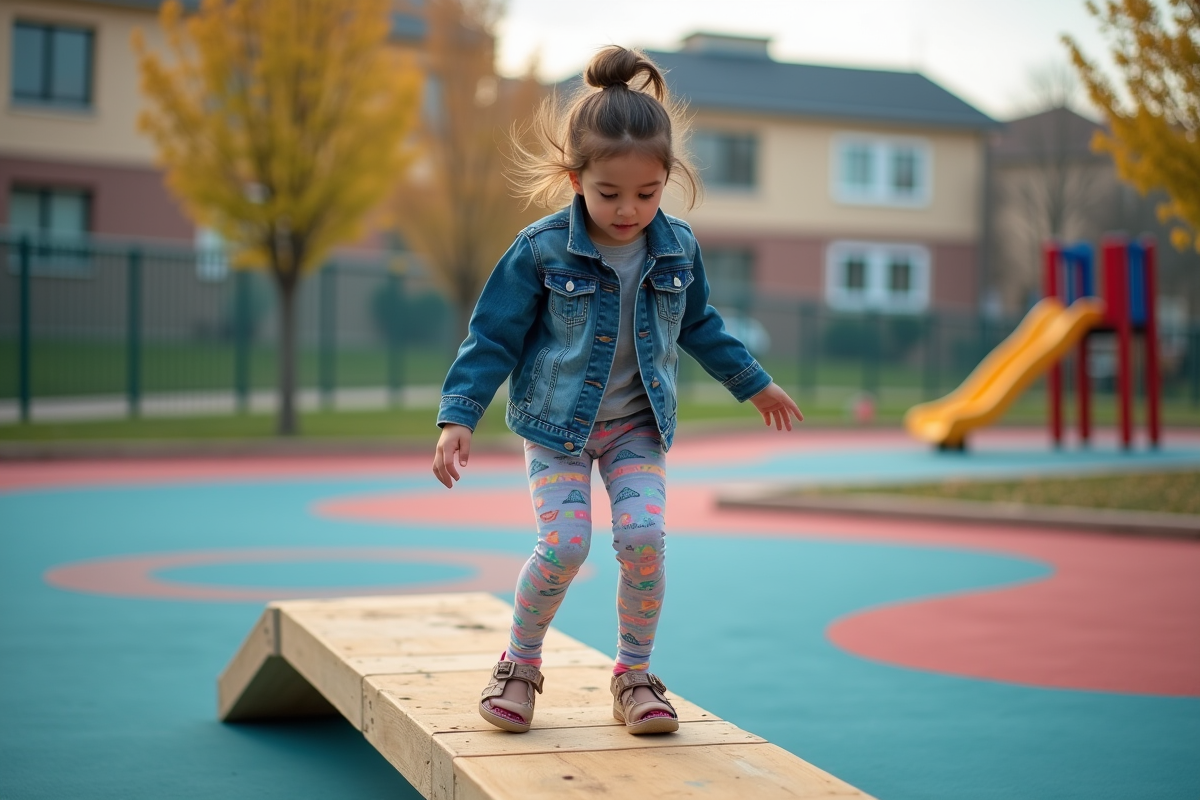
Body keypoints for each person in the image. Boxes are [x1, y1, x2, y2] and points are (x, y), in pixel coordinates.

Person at [431, 45, 802, 735]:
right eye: (609, 194)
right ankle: (519, 664)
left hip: (635, 425)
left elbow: (702, 326)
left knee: (643, 538)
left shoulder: (678, 249)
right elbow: (491, 337)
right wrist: (458, 417)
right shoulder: (540, 249)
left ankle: (633, 676)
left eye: (647, 193)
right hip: (556, 430)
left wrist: (755, 383)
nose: (628, 209)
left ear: (667, 178)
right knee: (565, 545)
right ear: (575, 178)